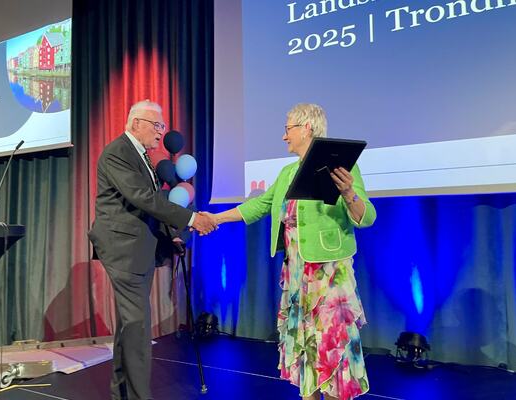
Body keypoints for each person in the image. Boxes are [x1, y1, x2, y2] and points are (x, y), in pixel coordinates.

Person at [212, 103, 376, 400]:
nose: (284, 136)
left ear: (307, 128)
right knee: (306, 349)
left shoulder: (343, 169)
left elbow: (367, 217)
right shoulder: (287, 173)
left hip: (328, 276)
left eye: (288, 128)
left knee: (332, 348)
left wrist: (348, 193)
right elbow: (260, 205)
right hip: (297, 276)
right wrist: (216, 218)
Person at [88, 100, 217, 400]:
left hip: (137, 248)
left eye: (162, 126)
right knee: (137, 325)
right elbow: (144, 198)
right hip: (122, 249)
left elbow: (147, 203)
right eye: (156, 125)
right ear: (136, 123)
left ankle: (121, 393)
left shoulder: (141, 155)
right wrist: (192, 219)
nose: (161, 132)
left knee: (129, 326)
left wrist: (171, 236)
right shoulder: (118, 152)